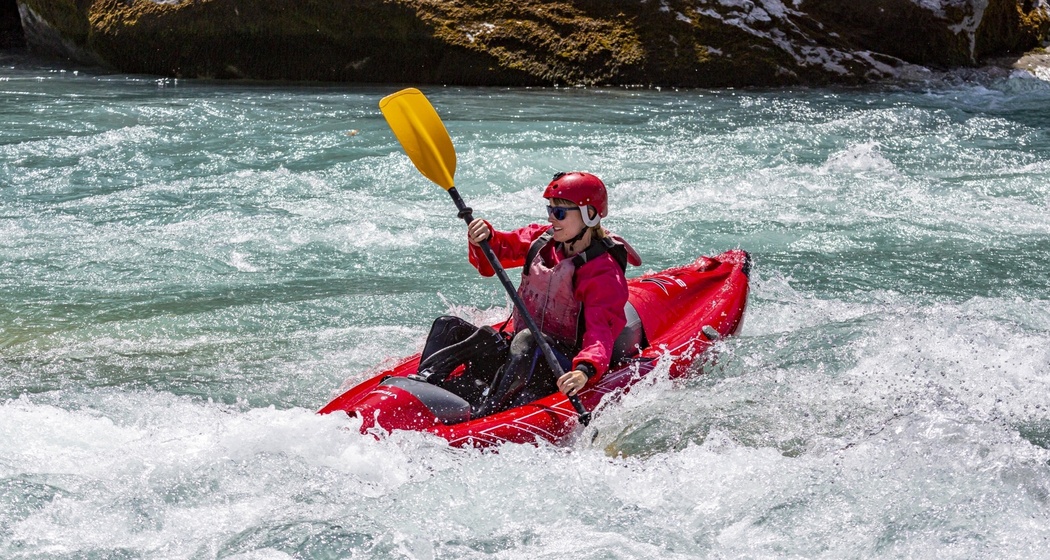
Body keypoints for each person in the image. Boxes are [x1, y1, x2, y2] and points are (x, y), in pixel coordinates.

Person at [413, 172, 641, 417]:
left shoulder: (602, 272)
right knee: (447, 325)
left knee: (527, 339)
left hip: (560, 364)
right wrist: (483, 237)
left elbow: (601, 330)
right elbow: (496, 253)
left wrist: (584, 370)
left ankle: (485, 413)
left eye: (561, 213)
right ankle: (422, 385)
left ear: (590, 215)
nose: (552, 218)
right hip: (524, 353)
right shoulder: (542, 240)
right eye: (550, 210)